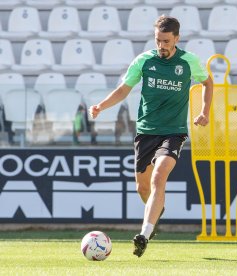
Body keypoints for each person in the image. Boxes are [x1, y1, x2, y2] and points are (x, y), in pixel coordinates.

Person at [89, 15, 213, 258]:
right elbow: (124, 89)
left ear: (177, 38)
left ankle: (144, 234)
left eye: (166, 41)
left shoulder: (189, 61)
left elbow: (208, 83)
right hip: (146, 131)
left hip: (174, 132)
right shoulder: (144, 61)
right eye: (158, 40)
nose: (162, 45)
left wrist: (204, 111)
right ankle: (156, 212)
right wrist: (101, 106)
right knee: (142, 186)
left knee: (159, 176)